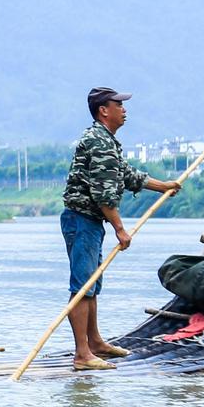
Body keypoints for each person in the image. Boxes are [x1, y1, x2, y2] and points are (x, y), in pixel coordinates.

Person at [61, 87, 180, 371]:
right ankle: (82, 355)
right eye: (119, 105)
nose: (124, 110)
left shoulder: (107, 141)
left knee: (92, 284)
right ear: (104, 110)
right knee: (83, 286)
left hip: (90, 222)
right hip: (82, 220)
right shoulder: (98, 142)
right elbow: (103, 194)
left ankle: (96, 342)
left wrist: (162, 186)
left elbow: (126, 175)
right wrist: (120, 229)